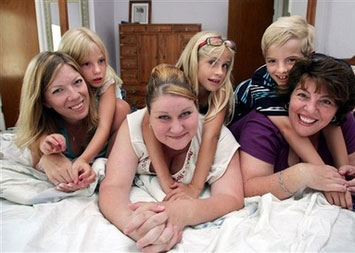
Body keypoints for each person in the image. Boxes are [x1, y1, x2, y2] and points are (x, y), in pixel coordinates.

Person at [99, 64, 243, 252]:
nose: (177, 129)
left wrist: (182, 212)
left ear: (196, 105)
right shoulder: (133, 127)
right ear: (148, 115)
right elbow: (113, 186)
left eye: (185, 114)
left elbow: (231, 198)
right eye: (164, 117)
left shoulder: (219, 137)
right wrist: (138, 227)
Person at [230, 56, 355, 209]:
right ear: (290, 95)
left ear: (338, 109)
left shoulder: (343, 121)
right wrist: (302, 174)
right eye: (303, 95)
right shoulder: (262, 125)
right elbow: (248, 188)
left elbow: (354, 171)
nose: (310, 109)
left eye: (326, 101)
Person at [231, 16, 351, 203]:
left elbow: (333, 123)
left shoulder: (318, 71)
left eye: (291, 60)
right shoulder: (263, 81)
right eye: (272, 61)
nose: (281, 70)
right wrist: (322, 174)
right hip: (237, 123)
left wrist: (345, 176)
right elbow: (287, 128)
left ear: (309, 57)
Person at [141, 31, 237, 200]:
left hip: (197, 149)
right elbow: (146, 124)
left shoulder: (221, 92)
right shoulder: (175, 82)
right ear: (195, 60)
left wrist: (195, 187)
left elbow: (211, 136)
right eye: (212, 63)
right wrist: (165, 180)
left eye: (225, 66)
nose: (220, 72)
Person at [15, 51, 104, 192]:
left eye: (77, 82)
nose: (75, 96)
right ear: (44, 101)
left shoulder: (109, 113)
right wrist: (46, 159)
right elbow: (33, 141)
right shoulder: (46, 131)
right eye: (58, 91)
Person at [58, 27, 131, 176]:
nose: (98, 70)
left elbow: (104, 126)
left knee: (121, 108)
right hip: (81, 126)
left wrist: (83, 159)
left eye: (101, 61)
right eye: (86, 64)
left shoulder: (106, 78)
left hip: (106, 123)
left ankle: (109, 161)